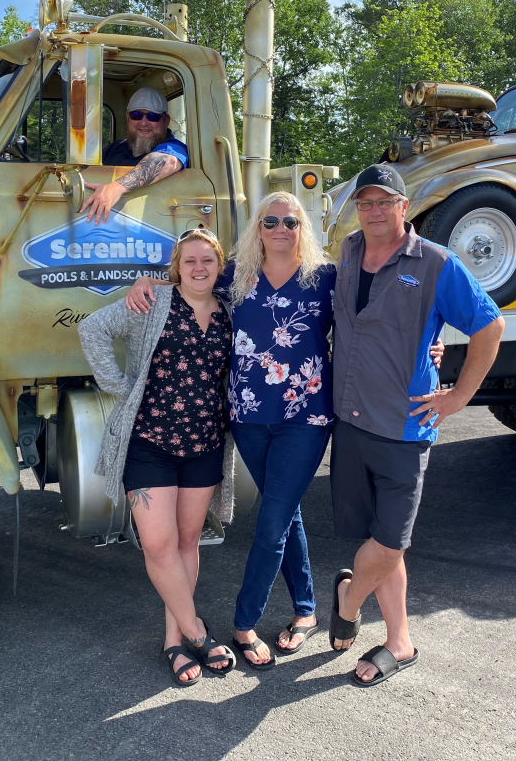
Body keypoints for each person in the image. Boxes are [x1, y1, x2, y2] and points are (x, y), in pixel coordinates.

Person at [125, 194, 447, 671]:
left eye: (290, 221)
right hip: (249, 414)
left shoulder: (328, 277)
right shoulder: (235, 275)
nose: (280, 228)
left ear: (303, 228)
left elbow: (382, 315)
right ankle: (306, 611)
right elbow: (188, 274)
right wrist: (144, 280)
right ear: (259, 226)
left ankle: (243, 622)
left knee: (272, 520)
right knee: (286, 505)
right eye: (270, 220)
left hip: (308, 416)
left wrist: (433, 344)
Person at [329, 164, 505, 688]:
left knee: (390, 544)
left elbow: (490, 324)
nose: (375, 211)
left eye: (385, 202)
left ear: (404, 207)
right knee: (374, 536)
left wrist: (458, 397)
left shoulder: (435, 263)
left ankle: (347, 600)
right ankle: (400, 641)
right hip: (351, 419)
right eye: (366, 203)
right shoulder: (349, 252)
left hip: (404, 430)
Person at [78, 228, 238, 687]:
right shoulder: (154, 306)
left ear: (219, 265)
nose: (199, 268)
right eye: (189, 261)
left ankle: (173, 641)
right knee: (157, 545)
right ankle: (197, 631)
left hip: (204, 446)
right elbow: (93, 328)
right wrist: (121, 388)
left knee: (188, 544)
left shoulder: (230, 313)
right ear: (176, 267)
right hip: (149, 445)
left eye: (207, 260)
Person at [82, 86, 189, 224]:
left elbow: (166, 161)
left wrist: (116, 188)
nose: (143, 123)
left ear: (166, 120)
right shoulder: (115, 148)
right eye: (136, 115)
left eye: (153, 116)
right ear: (128, 117)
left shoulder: (175, 148)